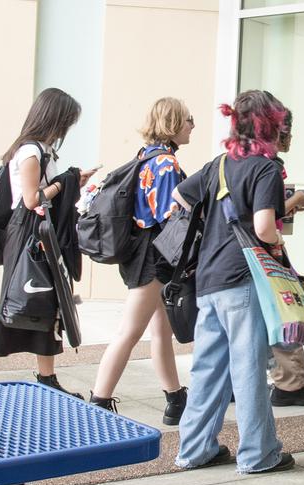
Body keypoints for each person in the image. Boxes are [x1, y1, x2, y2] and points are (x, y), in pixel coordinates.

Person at [172, 90, 293, 473]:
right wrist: (278, 238)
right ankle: (258, 455)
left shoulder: (220, 164)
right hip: (243, 280)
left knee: (207, 370)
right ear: (270, 125)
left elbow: (180, 194)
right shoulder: (266, 169)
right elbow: (263, 227)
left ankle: (193, 450)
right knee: (248, 369)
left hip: (209, 279)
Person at [0, 88, 96, 397]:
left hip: (36, 234)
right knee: (22, 304)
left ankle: (40, 379)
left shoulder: (40, 150)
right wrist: (66, 182)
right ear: (55, 119)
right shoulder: (31, 152)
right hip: (28, 235)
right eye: (67, 122)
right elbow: (32, 198)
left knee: (45, 305)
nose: (67, 129)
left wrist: (71, 180)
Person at [88, 98, 194, 424]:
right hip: (155, 256)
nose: (193, 124)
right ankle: (99, 403)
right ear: (173, 124)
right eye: (189, 119)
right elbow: (169, 216)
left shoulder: (145, 157)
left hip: (144, 252)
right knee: (130, 332)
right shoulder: (166, 165)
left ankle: (176, 399)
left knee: (161, 330)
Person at [267, 107, 304, 406]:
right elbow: (262, 220)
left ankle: (286, 382)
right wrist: (292, 202)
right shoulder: (267, 166)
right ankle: (290, 384)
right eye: (287, 130)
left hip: (254, 252)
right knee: (288, 311)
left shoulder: (233, 162)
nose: (290, 137)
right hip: (267, 252)